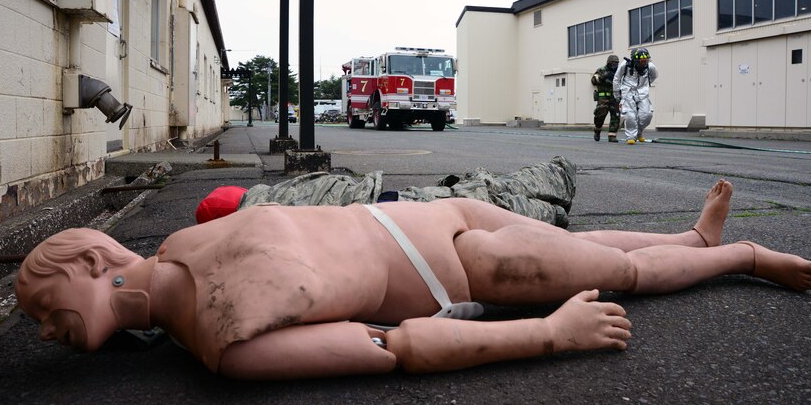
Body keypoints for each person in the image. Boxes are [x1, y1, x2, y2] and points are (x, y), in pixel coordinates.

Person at [15, 179, 811, 380]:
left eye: (47, 310)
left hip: (441, 211)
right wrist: (547, 332)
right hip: (463, 266)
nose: (48, 330)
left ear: (91, 260)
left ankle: (690, 234)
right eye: (46, 327)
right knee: (619, 273)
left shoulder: (183, 240)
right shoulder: (226, 343)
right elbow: (395, 345)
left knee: (582, 240)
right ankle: (742, 257)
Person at [196, 157, 577, 228]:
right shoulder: (285, 192)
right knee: (487, 193)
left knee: (489, 202)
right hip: (400, 202)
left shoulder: (269, 218)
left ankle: (557, 193)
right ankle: (556, 186)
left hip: (400, 215)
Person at [613, 47, 658, 145]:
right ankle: (631, 136)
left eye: (645, 61)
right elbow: (617, 78)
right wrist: (617, 94)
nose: (644, 63)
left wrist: (645, 85)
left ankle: (639, 133)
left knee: (647, 115)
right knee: (630, 115)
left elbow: (654, 76)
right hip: (628, 91)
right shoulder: (625, 65)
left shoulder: (650, 67)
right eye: (641, 61)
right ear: (635, 60)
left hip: (642, 92)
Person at [591, 55, 621, 143]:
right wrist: (604, 77)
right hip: (603, 97)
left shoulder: (619, 72)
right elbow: (593, 81)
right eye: (613, 63)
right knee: (600, 113)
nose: (614, 65)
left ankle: (612, 135)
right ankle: (597, 129)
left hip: (615, 97)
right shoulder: (601, 70)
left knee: (616, 115)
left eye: (616, 63)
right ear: (608, 63)